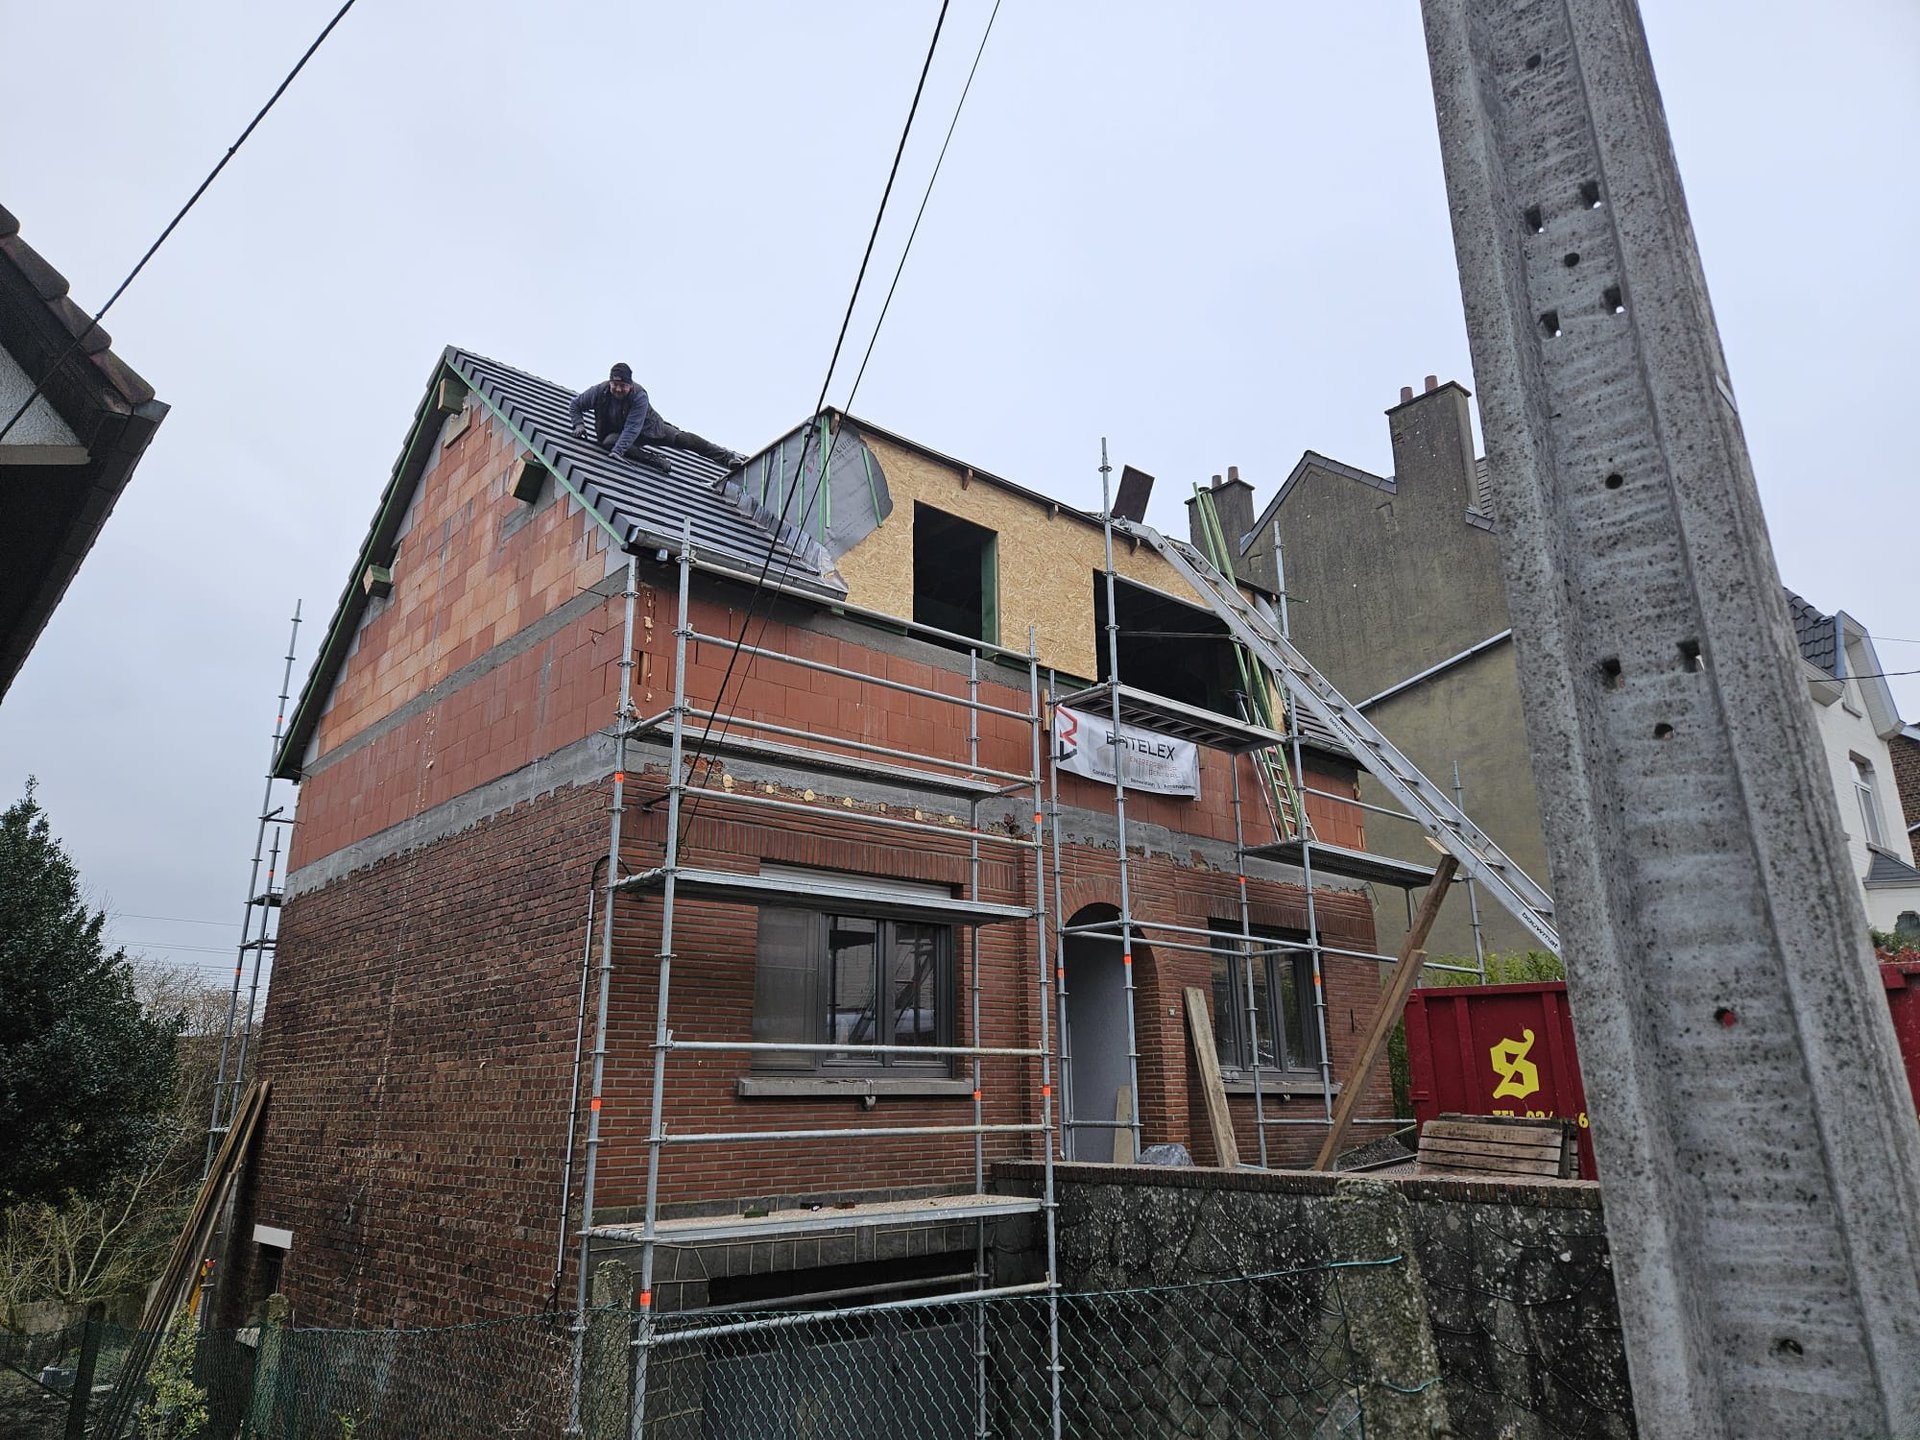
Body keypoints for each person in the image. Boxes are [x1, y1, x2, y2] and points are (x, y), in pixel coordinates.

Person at [568, 363, 748, 472]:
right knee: (609, 442)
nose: (618, 389)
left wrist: (617, 452)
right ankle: (655, 460)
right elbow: (575, 405)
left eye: (623, 385)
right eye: (615, 384)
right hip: (617, 434)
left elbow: (633, 427)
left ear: (630, 385)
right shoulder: (600, 391)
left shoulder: (639, 396)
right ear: (610, 382)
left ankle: (726, 457)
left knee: (684, 439)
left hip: (649, 429)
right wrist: (579, 425)